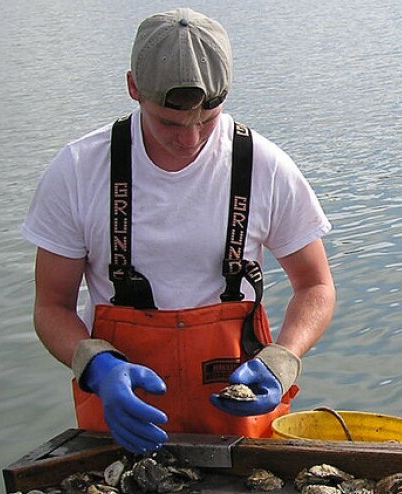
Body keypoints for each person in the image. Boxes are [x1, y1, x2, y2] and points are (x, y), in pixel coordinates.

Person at [22, 8, 335, 454]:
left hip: (238, 425)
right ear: (133, 87)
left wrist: (284, 358)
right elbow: (51, 306)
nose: (191, 140)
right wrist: (95, 366)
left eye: (207, 120)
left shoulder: (264, 167)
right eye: (170, 122)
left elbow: (316, 286)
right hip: (124, 423)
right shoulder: (79, 171)